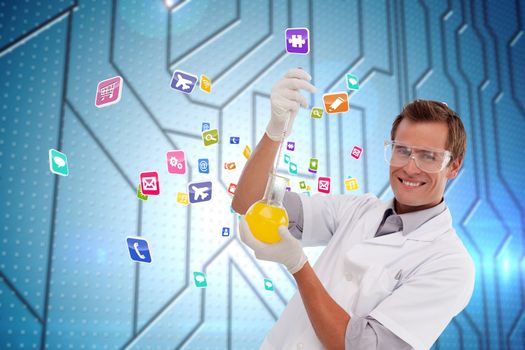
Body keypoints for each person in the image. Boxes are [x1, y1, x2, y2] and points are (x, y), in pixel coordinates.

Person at [231, 68, 475, 350]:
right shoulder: (357, 209)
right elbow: (249, 203)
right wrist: (276, 130)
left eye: (428, 156)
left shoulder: (450, 264)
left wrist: (298, 265)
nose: (410, 167)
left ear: (454, 166)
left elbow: (361, 346)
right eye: (402, 150)